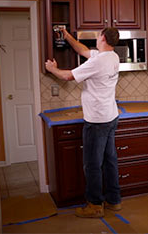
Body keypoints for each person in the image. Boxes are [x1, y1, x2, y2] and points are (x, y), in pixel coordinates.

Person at [45, 27, 121, 218]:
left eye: (97, 35)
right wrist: (66, 34)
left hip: (97, 120)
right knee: (110, 161)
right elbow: (82, 50)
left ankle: (95, 205)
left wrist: (52, 68)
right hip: (110, 116)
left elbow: (68, 76)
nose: (96, 38)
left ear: (102, 38)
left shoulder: (98, 62)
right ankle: (113, 200)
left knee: (92, 164)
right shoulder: (112, 57)